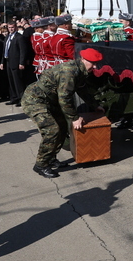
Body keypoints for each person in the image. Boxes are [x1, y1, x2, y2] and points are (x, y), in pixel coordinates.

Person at [21, 48, 106, 178]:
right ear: (83, 59)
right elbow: (64, 97)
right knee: (52, 129)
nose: (94, 66)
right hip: (35, 100)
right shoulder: (70, 72)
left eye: (96, 63)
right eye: (92, 63)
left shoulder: (81, 71)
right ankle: (41, 165)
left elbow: (82, 90)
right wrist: (74, 118)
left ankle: (51, 158)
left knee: (62, 126)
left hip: (50, 100)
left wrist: (95, 106)